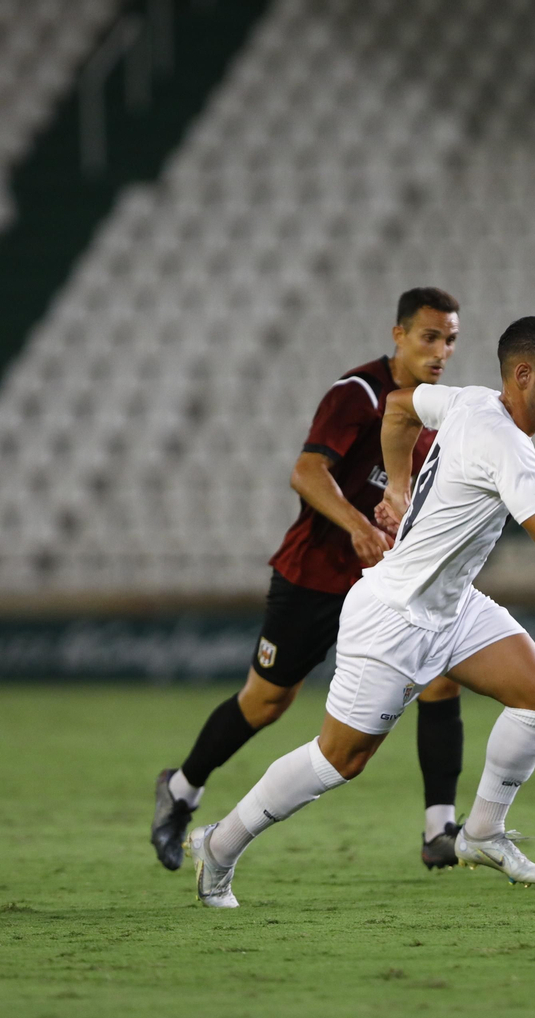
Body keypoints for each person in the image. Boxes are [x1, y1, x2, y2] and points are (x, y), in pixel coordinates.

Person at [186, 316, 535, 907]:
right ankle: (219, 844)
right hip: (394, 615)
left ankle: (482, 832)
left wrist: (396, 487)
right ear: (523, 375)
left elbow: (399, 407)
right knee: (339, 759)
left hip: (451, 606)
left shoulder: (470, 401)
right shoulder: (504, 442)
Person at [150, 288, 469, 873]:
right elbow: (306, 471)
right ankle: (181, 790)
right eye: (430, 337)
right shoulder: (359, 394)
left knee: (441, 678)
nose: (441, 350)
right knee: (266, 702)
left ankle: (439, 830)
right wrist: (357, 525)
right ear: (398, 335)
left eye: (450, 340)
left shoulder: (436, 413)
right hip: (316, 575)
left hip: (383, 585)